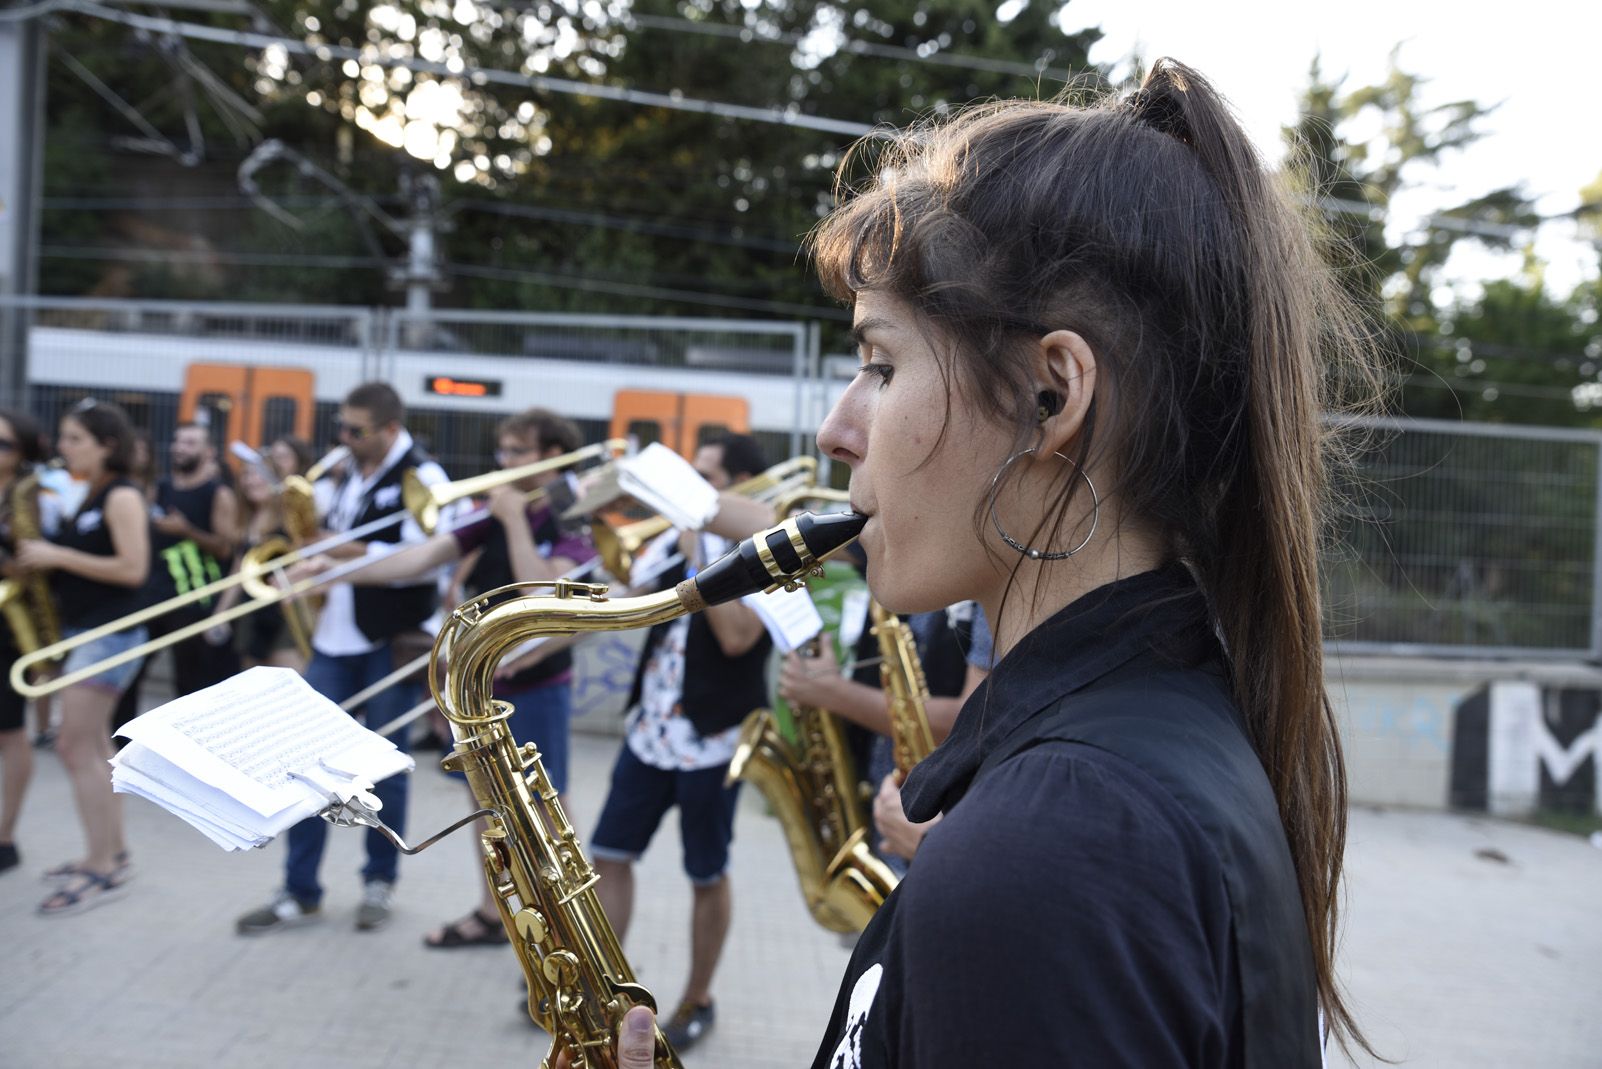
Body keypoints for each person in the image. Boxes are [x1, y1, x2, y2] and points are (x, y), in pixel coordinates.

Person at [603, 59, 1378, 1067]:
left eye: (881, 364)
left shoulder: (1054, 851)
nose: (838, 430)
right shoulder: (1146, 743)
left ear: (1051, 395)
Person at [295, 407, 598, 949]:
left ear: (553, 455)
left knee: (547, 807)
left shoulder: (570, 513)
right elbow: (418, 559)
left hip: (537, 683)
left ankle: (570, 931)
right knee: (485, 805)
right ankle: (496, 914)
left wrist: (512, 521)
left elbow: (544, 595)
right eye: (503, 451)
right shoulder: (497, 509)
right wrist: (333, 570)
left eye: (518, 452)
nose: (503, 463)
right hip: (480, 682)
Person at [234, 382, 452, 935]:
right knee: (304, 763)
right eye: (342, 427)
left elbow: (423, 556)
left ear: (390, 428)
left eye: (356, 430)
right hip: (333, 636)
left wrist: (333, 548)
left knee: (385, 770)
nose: (344, 438)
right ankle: (298, 889)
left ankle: (379, 881)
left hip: (387, 638)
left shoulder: (423, 477)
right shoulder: (346, 472)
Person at [587, 432, 771, 1053]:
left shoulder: (766, 551)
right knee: (608, 854)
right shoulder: (675, 540)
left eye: (707, 477)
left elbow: (739, 638)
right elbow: (627, 598)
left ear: (739, 485)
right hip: (649, 732)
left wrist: (703, 558)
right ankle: (604, 991)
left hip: (712, 740)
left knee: (705, 873)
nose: (693, 488)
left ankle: (697, 998)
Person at [15, 399, 150, 914]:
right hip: (88, 632)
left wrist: (58, 555)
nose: (63, 447)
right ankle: (112, 853)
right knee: (93, 748)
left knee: (73, 747)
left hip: (108, 635)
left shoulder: (121, 495)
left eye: (75, 438)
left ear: (107, 445)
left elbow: (133, 569)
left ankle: (100, 866)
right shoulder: (89, 491)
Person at [777, 594, 988, 873]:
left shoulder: (989, 598)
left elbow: (976, 720)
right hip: (880, 807)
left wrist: (834, 693)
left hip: (933, 830)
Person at [113, 421, 241, 732]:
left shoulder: (218, 493)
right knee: (129, 674)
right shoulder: (160, 486)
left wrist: (187, 531)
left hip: (194, 599)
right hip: (153, 595)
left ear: (208, 452)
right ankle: (124, 743)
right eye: (178, 441)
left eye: (190, 443)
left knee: (189, 683)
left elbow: (225, 549)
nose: (180, 448)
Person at [0, 408, 49, 874]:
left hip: (9, 623)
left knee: (10, 731)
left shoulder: (29, 496)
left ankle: (5, 837)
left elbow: (31, 565)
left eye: (4, 444)